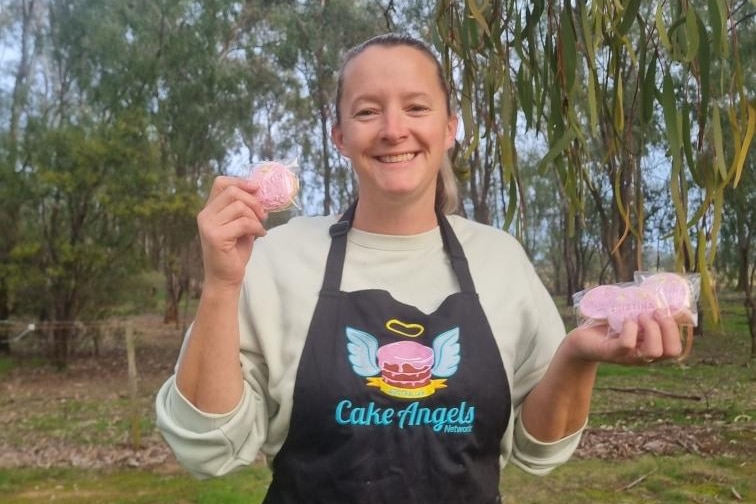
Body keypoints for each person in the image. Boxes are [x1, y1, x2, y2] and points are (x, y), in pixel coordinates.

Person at [155, 33, 684, 503]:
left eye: (416, 107)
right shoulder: (275, 256)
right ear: (339, 136)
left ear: (449, 127)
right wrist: (222, 285)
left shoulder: (501, 261)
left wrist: (576, 356)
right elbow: (208, 448)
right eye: (366, 112)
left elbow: (537, 449)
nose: (392, 129)